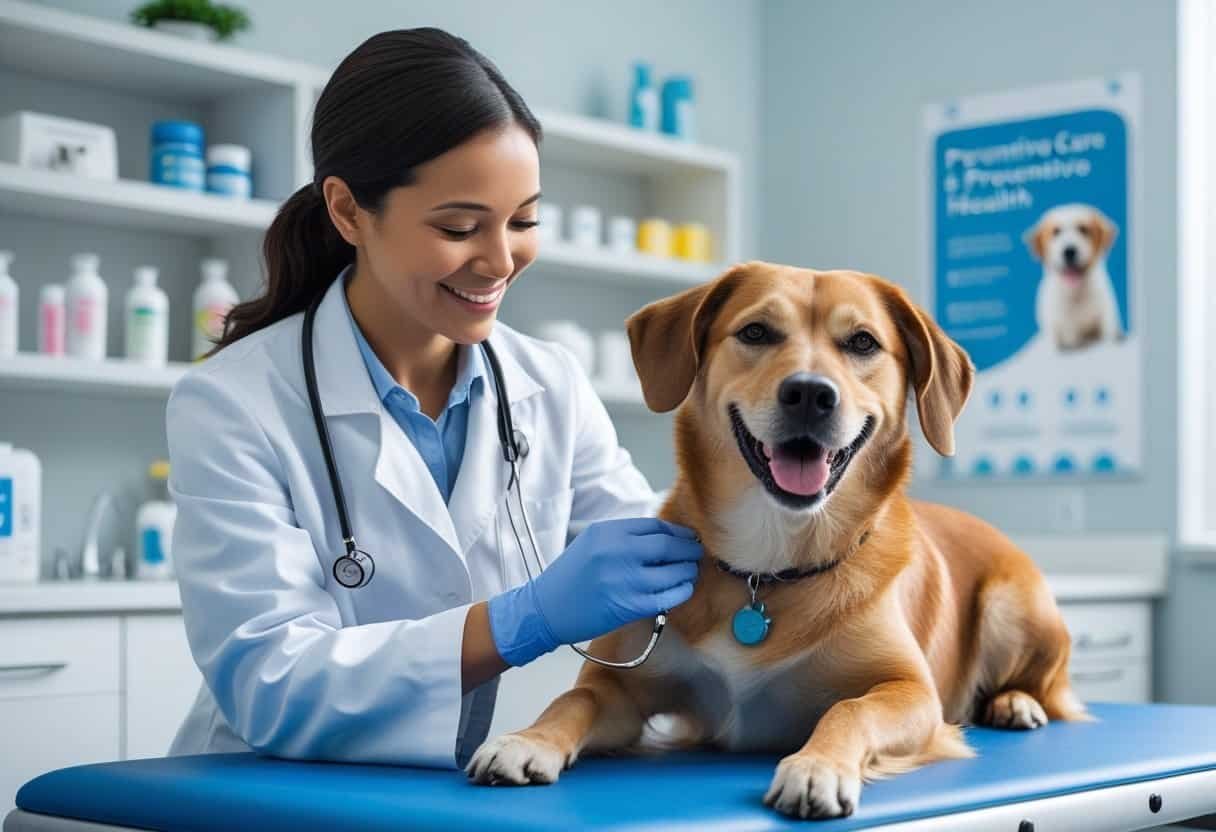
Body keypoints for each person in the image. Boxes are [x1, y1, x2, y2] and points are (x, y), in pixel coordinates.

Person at [165, 28, 702, 769]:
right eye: (458, 227)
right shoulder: (233, 402)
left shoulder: (550, 385)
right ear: (349, 211)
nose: (500, 259)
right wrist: (523, 620)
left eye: (523, 221)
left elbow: (662, 573)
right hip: (282, 794)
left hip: (492, 789)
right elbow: (271, 683)